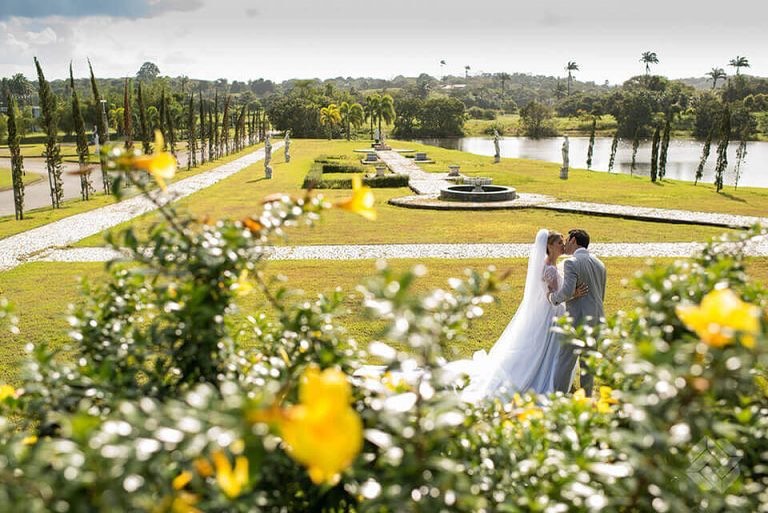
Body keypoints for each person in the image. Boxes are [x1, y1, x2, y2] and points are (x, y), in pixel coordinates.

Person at [452, 229, 587, 400]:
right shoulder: (550, 269)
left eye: (563, 242)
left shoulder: (551, 265)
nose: (563, 245)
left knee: (545, 345)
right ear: (549, 246)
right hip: (551, 312)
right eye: (559, 243)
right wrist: (574, 294)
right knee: (545, 345)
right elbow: (555, 297)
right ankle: (545, 376)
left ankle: (553, 374)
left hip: (548, 310)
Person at [548, 229, 606, 397]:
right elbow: (600, 294)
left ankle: (558, 396)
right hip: (596, 319)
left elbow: (566, 292)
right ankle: (587, 398)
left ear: (573, 240)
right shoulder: (600, 263)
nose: (565, 243)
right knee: (588, 363)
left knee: (565, 361)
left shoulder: (571, 262)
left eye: (567, 240)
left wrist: (553, 298)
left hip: (577, 320)